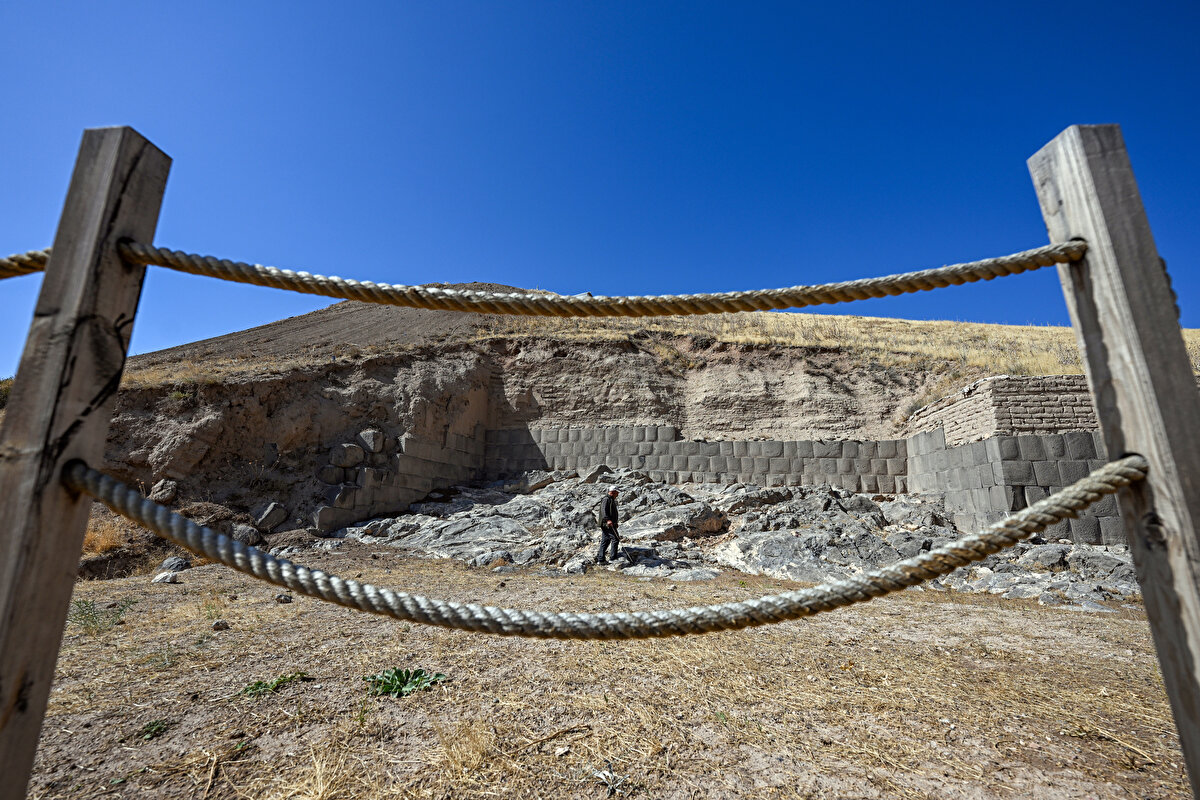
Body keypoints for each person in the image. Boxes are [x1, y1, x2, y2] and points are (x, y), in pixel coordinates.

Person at [597, 487, 621, 564]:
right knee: (615, 539)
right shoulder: (606, 499)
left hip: (609, 524)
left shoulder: (611, 499)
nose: (618, 494)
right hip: (607, 524)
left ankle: (601, 559)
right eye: (617, 492)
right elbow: (603, 511)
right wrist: (608, 520)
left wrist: (615, 523)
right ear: (613, 492)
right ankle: (613, 558)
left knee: (605, 540)